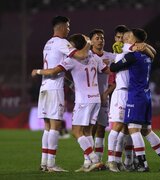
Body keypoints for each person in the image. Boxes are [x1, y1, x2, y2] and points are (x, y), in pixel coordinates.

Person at [32, 33, 110, 172]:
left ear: (75, 46)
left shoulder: (71, 60)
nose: (69, 48)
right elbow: (107, 70)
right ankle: (87, 163)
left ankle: (94, 159)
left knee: (75, 131)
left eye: (71, 45)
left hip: (83, 101)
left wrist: (37, 71)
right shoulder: (95, 57)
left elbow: (54, 71)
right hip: (96, 99)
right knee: (87, 131)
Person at [110, 28, 160, 172]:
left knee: (133, 129)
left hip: (135, 95)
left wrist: (117, 55)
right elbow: (153, 52)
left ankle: (142, 164)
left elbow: (114, 67)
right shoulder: (147, 56)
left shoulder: (133, 56)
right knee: (146, 130)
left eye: (130, 37)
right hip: (146, 95)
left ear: (136, 40)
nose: (127, 39)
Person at [33, 16, 91, 172]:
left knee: (47, 126)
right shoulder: (62, 43)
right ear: (62, 27)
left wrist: (69, 82)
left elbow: (56, 66)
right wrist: (88, 44)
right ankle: (51, 164)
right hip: (54, 89)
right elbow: (81, 55)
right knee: (55, 126)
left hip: (44, 87)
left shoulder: (48, 43)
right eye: (68, 26)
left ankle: (44, 163)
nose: (69, 29)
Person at [107, 25, 155, 172]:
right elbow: (112, 68)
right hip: (121, 92)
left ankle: (126, 160)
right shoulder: (125, 52)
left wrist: (144, 45)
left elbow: (152, 54)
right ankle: (112, 161)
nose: (122, 40)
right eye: (119, 37)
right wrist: (144, 46)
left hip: (132, 93)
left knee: (128, 130)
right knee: (118, 127)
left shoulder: (131, 50)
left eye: (125, 37)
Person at [89, 28, 116, 163]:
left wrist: (106, 93)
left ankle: (98, 161)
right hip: (90, 98)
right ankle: (88, 160)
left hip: (104, 97)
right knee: (90, 130)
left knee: (101, 129)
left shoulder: (110, 57)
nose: (100, 40)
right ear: (91, 41)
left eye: (102, 38)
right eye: (97, 38)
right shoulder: (86, 56)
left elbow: (118, 77)